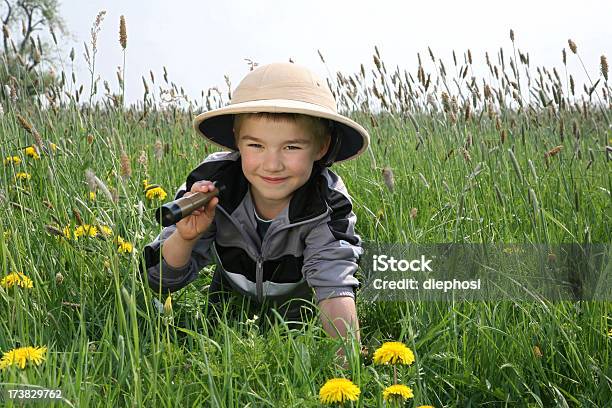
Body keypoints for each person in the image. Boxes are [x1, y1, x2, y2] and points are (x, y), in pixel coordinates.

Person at [141, 62, 370, 346]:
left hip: (297, 322)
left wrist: (347, 365)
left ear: (321, 147)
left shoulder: (326, 203)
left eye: (291, 147)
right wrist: (185, 237)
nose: (272, 164)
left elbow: (334, 285)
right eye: (256, 146)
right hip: (225, 316)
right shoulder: (211, 184)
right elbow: (160, 281)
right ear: (237, 141)